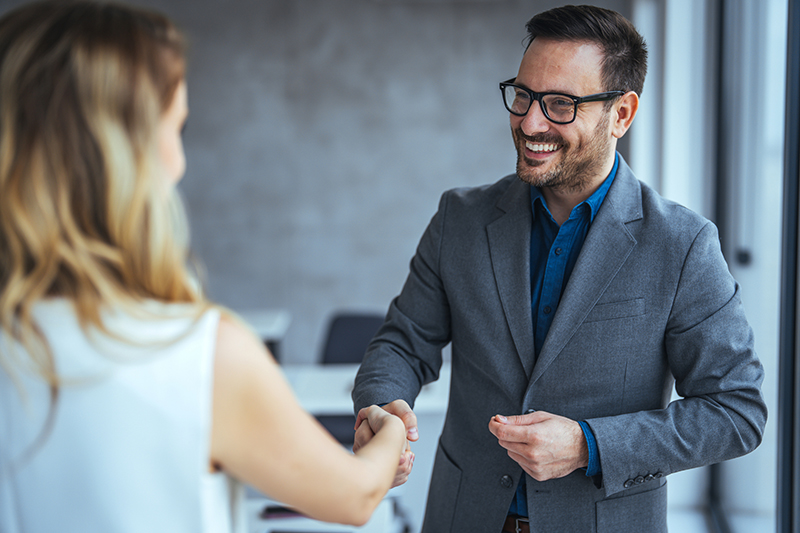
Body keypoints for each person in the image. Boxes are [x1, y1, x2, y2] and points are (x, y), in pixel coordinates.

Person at [351, 4, 767, 532]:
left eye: (560, 104)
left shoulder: (682, 245)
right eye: (523, 95)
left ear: (621, 114)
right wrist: (381, 407)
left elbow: (736, 411)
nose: (529, 122)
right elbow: (403, 343)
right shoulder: (460, 218)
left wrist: (588, 445)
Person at [0, 2, 407, 532]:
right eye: (177, 129)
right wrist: (390, 428)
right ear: (126, 157)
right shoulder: (200, 354)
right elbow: (355, 496)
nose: (179, 161)